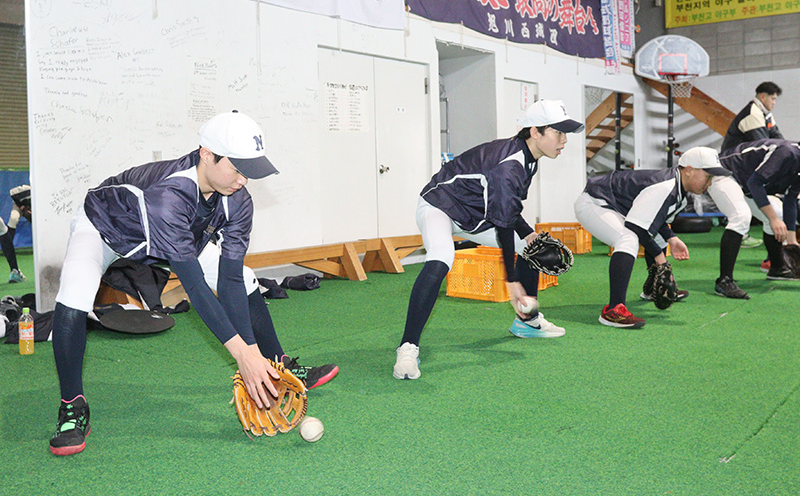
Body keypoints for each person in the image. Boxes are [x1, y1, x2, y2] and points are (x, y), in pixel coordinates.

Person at [49, 111, 337, 456]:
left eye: (250, 171)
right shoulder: (170, 194)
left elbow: (229, 278)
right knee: (75, 290)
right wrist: (240, 356)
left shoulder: (237, 198)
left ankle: (277, 364)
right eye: (237, 168)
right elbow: (195, 288)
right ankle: (72, 405)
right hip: (107, 229)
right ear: (206, 154)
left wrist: (253, 356)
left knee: (245, 279)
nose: (244, 180)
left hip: (174, 238)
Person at [393, 99, 584, 380]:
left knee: (532, 246)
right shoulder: (509, 164)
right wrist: (511, 280)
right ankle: (408, 348)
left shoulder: (529, 158)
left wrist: (527, 232)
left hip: (474, 217)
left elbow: (506, 209)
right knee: (441, 259)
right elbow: (504, 225)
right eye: (558, 132)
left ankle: (527, 322)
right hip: (440, 207)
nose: (564, 140)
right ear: (535, 132)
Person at [574, 147, 731, 328]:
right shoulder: (665, 186)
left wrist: (672, 238)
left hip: (613, 205)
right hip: (594, 202)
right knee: (628, 239)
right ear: (688, 170)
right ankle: (613, 310)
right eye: (708, 176)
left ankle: (652, 290)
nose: (710, 183)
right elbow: (637, 226)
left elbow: (655, 220)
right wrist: (661, 260)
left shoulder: (679, 193)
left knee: (659, 238)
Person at [718, 138, 800, 282]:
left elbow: (790, 199)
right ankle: (725, 280)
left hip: (746, 184)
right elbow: (755, 183)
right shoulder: (787, 152)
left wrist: (791, 241)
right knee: (741, 216)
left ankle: (777, 268)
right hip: (724, 172)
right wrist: (773, 219)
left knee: (777, 214)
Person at [721, 81, 783, 153]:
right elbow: (763, 146)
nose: (774, 103)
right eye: (772, 99)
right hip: (733, 160)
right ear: (763, 97)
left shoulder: (766, 115)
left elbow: (778, 138)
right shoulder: (752, 114)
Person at [0, 184, 31, 283]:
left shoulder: (39, 195)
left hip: (32, 207)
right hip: (20, 206)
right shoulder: (18, 194)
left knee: (2, 229)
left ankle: (14, 270)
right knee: (8, 223)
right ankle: (15, 270)